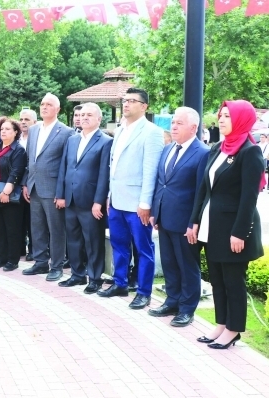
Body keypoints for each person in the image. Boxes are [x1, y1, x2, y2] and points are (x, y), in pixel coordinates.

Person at [190, 100, 265, 349]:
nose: (221, 120)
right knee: (217, 279)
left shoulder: (249, 152)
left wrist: (239, 232)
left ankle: (234, 329)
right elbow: (204, 189)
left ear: (242, 119)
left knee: (233, 281)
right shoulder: (218, 148)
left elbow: (249, 196)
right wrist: (195, 221)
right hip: (212, 226)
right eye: (220, 116)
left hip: (233, 228)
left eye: (227, 116)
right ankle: (221, 324)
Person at [98, 88, 164, 310]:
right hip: (116, 201)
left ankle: (144, 292)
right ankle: (120, 283)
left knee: (144, 249)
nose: (126, 104)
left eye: (132, 101)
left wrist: (145, 203)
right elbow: (113, 167)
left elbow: (150, 171)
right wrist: (109, 195)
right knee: (119, 246)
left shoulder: (151, 132)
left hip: (137, 204)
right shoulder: (119, 130)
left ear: (144, 106)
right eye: (124, 101)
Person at [148, 107, 209, 327]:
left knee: (187, 265)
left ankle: (187, 308)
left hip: (186, 222)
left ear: (193, 127)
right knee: (170, 263)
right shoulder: (168, 149)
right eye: (173, 122)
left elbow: (201, 192)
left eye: (179, 123)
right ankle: (172, 300)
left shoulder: (202, 153)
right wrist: (156, 211)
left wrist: (194, 222)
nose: (173, 126)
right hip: (165, 217)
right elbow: (160, 183)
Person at [55, 103, 112, 293]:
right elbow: (64, 168)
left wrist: (98, 201)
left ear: (98, 119)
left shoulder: (105, 141)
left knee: (93, 241)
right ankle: (77, 274)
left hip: (90, 202)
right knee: (73, 239)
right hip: (70, 199)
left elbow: (104, 175)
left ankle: (95, 278)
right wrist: (60, 194)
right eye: (82, 114)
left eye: (90, 115)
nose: (84, 117)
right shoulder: (72, 140)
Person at [21, 93, 75, 281]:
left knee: (56, 229)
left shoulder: (66, 132)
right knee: (37, 227)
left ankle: (57, 265)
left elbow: (67, 165)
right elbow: (29, 159)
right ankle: (40, 262)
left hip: (53, 189)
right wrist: (25, 183)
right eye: (42, 104)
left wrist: (61, 193)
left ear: (58, 109)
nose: (44, 107)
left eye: (49, 104)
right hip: (34, 186)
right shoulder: (34, 130)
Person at [0, 118, 27, 272]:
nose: (4, 131)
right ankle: (2, 257)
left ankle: (12, 259)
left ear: (16, 132)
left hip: (10, 195)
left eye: (8, 129)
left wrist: (6, 192)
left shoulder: (18, 150)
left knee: (12, 229)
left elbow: (16, 172)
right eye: (2, 129)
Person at [18, 109, 38, 261]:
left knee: (33, 221)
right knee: (20, 219)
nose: (23, 122)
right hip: (15, 186)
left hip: (31, 186)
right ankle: (20, 247)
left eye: (27, 119)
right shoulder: (16, 138)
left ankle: (33, 249)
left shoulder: (38, 139)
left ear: (35, 123)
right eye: (21, 119)